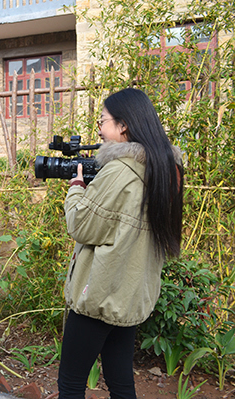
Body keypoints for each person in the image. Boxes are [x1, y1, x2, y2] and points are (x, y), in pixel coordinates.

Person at [57, 88, 183, 398]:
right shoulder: (166, 170)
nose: (99, 128)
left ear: (123, 125)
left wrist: (76, 188)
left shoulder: (120, 170)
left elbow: (82, 226)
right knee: (121, 382)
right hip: (129, 296)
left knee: (71, 384)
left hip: (98, 295)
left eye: (103, 121)